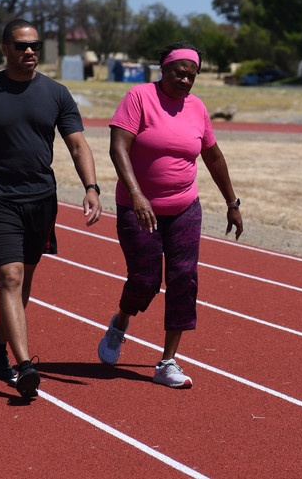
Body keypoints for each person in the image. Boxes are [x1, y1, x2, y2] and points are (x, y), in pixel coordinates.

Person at [0, 19, 102, 400]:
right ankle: (25, 366)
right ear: (4, 49)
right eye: (20, 46)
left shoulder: (56, 93)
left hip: (41, 200)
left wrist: (92, 187)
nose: (28, 51)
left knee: (25, 278)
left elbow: (78, 146)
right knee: (10, 277)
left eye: (34, 45)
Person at [97, 41, 243, 389]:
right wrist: (137, 195)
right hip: (138, 208)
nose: (186, 81)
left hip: (184, 208)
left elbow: (213, 156)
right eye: (180, 73)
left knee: (183, 279)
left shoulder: (197, 108)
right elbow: (118, 147)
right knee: (145, 280)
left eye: (192, 76)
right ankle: (121, 321)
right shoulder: (139, 98)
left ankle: (167, 361)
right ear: (163, 69)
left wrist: (232, 203)